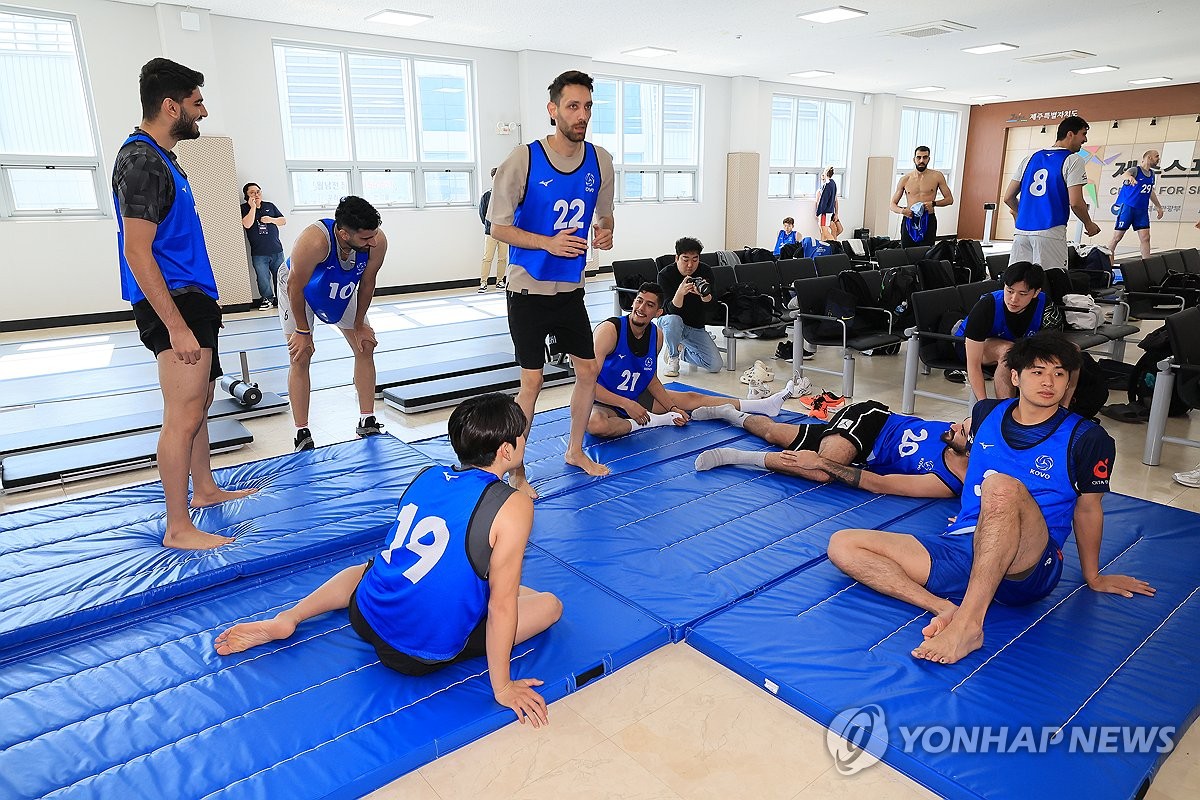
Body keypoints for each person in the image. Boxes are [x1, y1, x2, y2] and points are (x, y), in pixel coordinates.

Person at [215, 393, 562, 727]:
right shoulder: (514, 505)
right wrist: (502, 687)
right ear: (506, 450)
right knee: (547, 604)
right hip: (418, 653)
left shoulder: (425, 475)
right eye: (522, 437)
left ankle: (288, 618)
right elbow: (502, 606)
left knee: (367, 569)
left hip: (365, 614)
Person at [827, 332, 1152, 665]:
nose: (1048, 382)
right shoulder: (984, 414)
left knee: (1001, 487)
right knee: (843, 544)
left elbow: (1088, 510)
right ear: (1016, 376)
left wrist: (1093, 576)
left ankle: (969, 626)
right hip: (964, 546)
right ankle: (944, 608)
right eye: (1037, 372)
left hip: (1030, 564)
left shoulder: (1088, 437)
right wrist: (980, 519)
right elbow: (969, 467)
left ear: (1068, 381)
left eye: (1058, 374)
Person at [113, 58, 256, 551]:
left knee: (201, 404)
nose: (204, 112)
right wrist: (175, 326)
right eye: (197, 103)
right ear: (171, 106)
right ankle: (178, 526)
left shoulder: (165, 159)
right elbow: (137, 249)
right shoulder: (141, 161)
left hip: (193, 297)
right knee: (182, 412)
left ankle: (205, 488)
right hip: (171, 302)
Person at [488, 69, 616, 497]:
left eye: (587, 107)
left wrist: (605, 229)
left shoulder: (600, 160)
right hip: (527, 291)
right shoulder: (523, 159)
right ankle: (517, 471)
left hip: (570, 292)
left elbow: (603, 212)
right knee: (533, 381)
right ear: (553, 110)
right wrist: (547, 242)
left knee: (588, 369)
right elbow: (498, 227)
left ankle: (575, 450)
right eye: (573, 106)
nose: (582, 115)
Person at [588, 283, 800, 438]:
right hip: (605, 400)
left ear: (658, 312)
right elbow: (587, 384)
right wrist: (627, 404)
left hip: (635, 395)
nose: (641, 308)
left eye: (649, 305)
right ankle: (653, 422)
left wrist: (671, 408)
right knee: (596, 425)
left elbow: (651, 379)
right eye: (639, 301)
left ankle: (762, 404)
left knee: (691, 398)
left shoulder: (657, 335)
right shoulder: (610, 330)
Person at [280, 195, 388, 451]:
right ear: (343, 234)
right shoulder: (314, 241)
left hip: (339, 285)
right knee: (300, 354)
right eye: (365, 238)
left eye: (374, 235)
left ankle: (367, 418)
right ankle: (301, 432)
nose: (372, 241)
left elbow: (368, 282)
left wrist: (360, 323)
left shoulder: (377, 241)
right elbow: (295, 286)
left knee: (365, 345)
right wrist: (302, 331)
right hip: (299, 288)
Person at [694, 401, 969, 499]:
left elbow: (880, 483)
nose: (954, 425)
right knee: (821, 471)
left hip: (863, 454)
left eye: (963, 430)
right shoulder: (951, 436)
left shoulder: (946, 481)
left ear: (970, 450)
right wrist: (822, 464)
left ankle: (728, 413)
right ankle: (732, 457)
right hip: (871, 420)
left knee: (773, 432)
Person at [1002, 116, 1100, 302]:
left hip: (1022, 232)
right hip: (1050, 230)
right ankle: (1055, 322)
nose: (1085, 140)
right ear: (1070, 134)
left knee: (1015, 282)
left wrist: (1023, 214)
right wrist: (1088, 224)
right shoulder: (1073, 160)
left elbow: (1008, 197)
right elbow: (1076, 202)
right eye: (1083, 134)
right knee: (1054, 282)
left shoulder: (1030, 158)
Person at [953, 261, 1062, 403]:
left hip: (1016, 347)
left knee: (1070, 352)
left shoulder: (1046, 306)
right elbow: (973, 364)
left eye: (1023, 294)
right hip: (968, 347)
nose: (1014, 299)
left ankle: (1061, 412)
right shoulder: (987, 306)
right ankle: (1004, 411)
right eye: (1009, 291)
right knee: (1009, 351)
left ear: (1036, 292)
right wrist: (982, 403)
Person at [657, 237, 722, 377]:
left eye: (695, 259)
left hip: (694, 325)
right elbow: (669, 310)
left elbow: (712, 308)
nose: (690, 265)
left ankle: (682, 351)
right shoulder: (665, 275)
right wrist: (680, 292)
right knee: (673, 320)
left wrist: (703, 295)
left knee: (715, 365)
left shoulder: (705, 271)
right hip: (670, 323)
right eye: (685, 259)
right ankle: (673, 358)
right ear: (677, 258)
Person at [891, 146, 954, 247]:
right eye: (918, 157)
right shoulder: (905, 179)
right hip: (910, 219)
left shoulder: (937, 176)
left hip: (928, 219)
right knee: (906, 252)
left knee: (927, 252)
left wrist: (934, 203)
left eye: (925, 157)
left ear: (929, 159)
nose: (921, 160)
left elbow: (949, 199)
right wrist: (903, 211)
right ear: (914, 159)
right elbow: (892, 204)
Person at [1108, 150, 1164, 259]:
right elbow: (1125, 174)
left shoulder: (1152, 174)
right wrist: (1130, 177)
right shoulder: (1136, 170)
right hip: (1128, 208)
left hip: (1142, 210)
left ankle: (1147, 264)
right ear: (1149, 157)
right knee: (1117, 237)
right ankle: (1107, 261)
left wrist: (1158, 206)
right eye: (1156, 156)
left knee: (1145, 237)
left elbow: (1150, 191)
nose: (1158, 159)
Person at [240, 182, 287, 309]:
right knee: (263, 278)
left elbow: (283, 221)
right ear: (246, 195)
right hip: (259, 252)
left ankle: (282, 299)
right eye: (252, 192)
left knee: (281, 276)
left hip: (276, 250)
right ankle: (267, 299)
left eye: (258, 191)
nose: (256, 194)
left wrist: (271, 219)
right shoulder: (244, 208)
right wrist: (253, 208)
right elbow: (247, 224)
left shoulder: (270, 206)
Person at [478, 167, 508, 293]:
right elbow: (482, 214)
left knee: (502, 258)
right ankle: (483, 283)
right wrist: (489, 226)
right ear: (492, 178)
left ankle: (500, 281)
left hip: (505, 233)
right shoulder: (486, 196)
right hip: (490, 232)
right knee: (487, 258)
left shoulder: (507, 195)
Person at [816, 167, 839, 235]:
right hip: (829, 211)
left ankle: (835, 245)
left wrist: (818, 212)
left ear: (825, 173)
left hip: (825, 212)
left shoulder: (827, 185)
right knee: (823, 232)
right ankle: (824, 245)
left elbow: (823, 201)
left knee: (824, 231)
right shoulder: (833, 183)